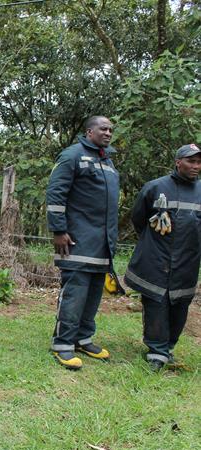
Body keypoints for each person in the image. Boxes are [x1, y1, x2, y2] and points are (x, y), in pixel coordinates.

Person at [46, 115, 119, 370]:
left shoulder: (107, 160)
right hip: (76, 240)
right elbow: (56, 193)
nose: (108, 133)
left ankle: (83, 339)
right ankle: (63, 343)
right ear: (89, 131)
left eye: (110, 130)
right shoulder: (72, 156)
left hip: (102, 243)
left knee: (93, 294)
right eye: (103, 129)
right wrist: (58, 229)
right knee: (75, 294)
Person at [125, 144, 201, 371]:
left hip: (188, 261)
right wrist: (154, 243)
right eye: (191, 161)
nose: (196, 166)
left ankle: (168, 347)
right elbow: (139, 219)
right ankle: (157, 352)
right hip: (156, 258)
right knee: (156, 302)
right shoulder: (155, 187)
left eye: (199, 162)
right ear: (178, 162)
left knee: (180, 304)